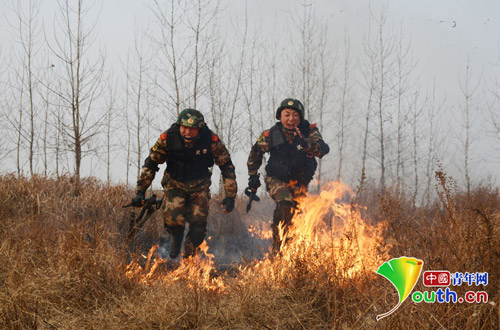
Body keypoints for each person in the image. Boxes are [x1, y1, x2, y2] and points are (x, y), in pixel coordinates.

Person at [132, 109, 237, 259]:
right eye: (184, 128)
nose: (187, 132)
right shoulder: (168, 137)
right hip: (175, 185)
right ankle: (176, 236)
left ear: (199, 129)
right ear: (179, 125)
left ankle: (188, 258)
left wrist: (230, 196)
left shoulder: (211, 139)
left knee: (198, 229)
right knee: (173, 222)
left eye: (192, 129)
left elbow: (226, 166)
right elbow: (152, 163)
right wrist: (141, 191)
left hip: (199, 187)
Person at [247, 98, 329, 252]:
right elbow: (255, 153)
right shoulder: (271, 134)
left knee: (296, 217)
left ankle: (291, 253)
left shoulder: (309, 132)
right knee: (285, 204)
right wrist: (252, 176)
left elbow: (322, 150)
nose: (291, 119)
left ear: (300, 117)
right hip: (276, 179)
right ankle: (278, 250)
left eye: (295, 115)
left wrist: (306, 144)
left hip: (299, 182)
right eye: (287, 114)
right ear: (280, 116)